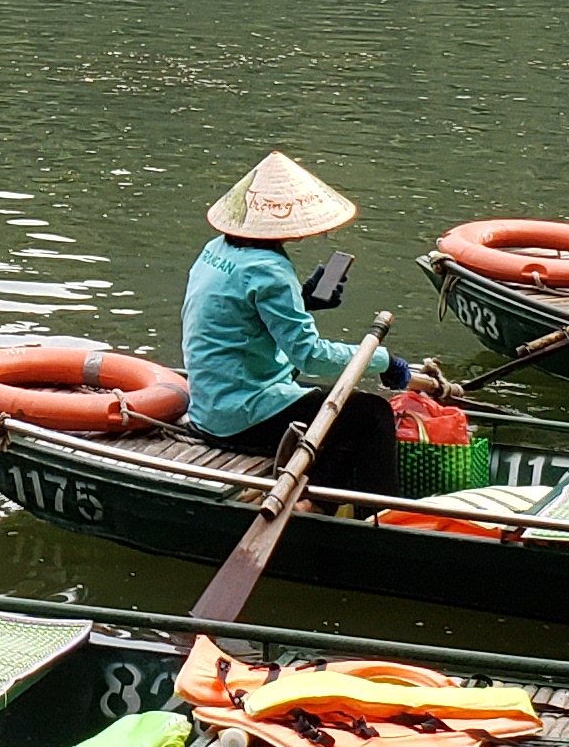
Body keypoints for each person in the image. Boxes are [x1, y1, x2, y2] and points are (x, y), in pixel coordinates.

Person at [183, 152, 452, 498]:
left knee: (343, 408)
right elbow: (309, 355)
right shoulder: (268, 269)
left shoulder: (215, 250)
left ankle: (319, 497)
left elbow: (236, 315)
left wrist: (303, 301)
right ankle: (367, 511)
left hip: (210, 405)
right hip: (241, 415)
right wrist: (385, 361)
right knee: (372, 414)